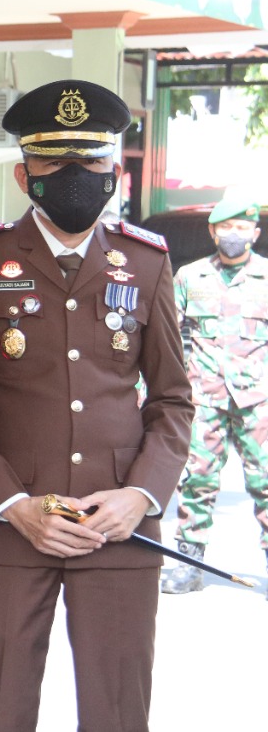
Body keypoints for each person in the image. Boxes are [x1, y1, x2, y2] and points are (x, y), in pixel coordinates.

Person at [0, 79, 194, 732]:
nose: (78, 176)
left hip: (119, 529)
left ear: (115, 170)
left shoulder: (147, 262)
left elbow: (171, 400)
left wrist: (140, 495)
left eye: (93, 161)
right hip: (10, 525)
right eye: (55, 163)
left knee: (116, 709)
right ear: (25, 174)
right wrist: (11, 503)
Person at [163, 194, 268, 595]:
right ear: (212, 232)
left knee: (266, 483)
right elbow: (170, 339)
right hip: (203, 399)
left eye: (242, 228)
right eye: (225, 228)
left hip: (258, 403)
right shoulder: (190, 277)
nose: (233, 235)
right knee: (196, 482)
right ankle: (189, 565)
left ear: (255, 234)